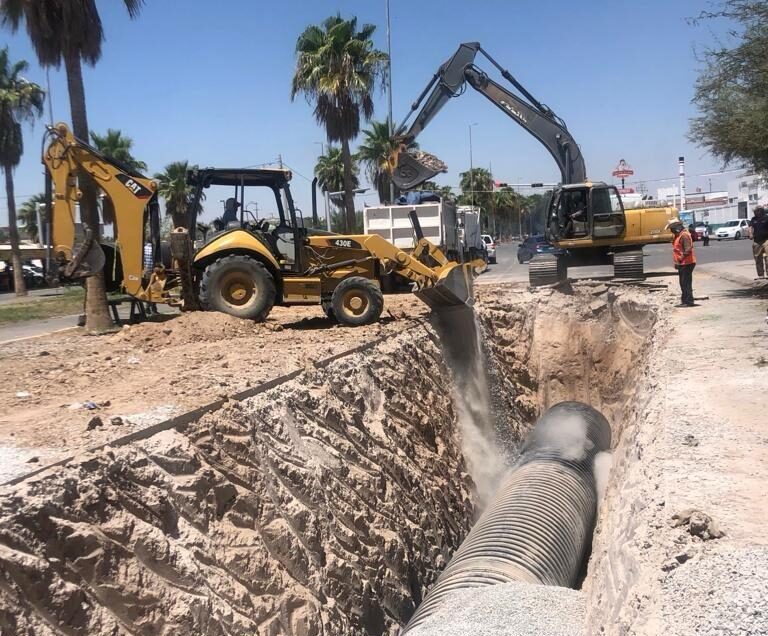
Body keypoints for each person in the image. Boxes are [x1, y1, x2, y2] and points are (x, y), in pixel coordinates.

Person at [667, 218, 696, 307]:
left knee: (685, 283)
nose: (671, 231)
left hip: (686, 263)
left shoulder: (684, 235)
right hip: (682, 263)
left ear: (677, 227)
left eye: (672, 228)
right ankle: (685, 300)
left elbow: (687, 250)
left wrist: (680, 259)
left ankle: (688, 301)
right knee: (683, 283)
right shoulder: (678, 235)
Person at [749, 206, 768, 279]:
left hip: (766, 240)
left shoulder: (766, 218)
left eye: (755, 211)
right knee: (757, 258)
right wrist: (750, 234)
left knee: (767, 258)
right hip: (757, 241)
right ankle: (761, 275)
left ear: (760, 211)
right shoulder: (753, 219)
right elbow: (750, 227)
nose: (754, 212)